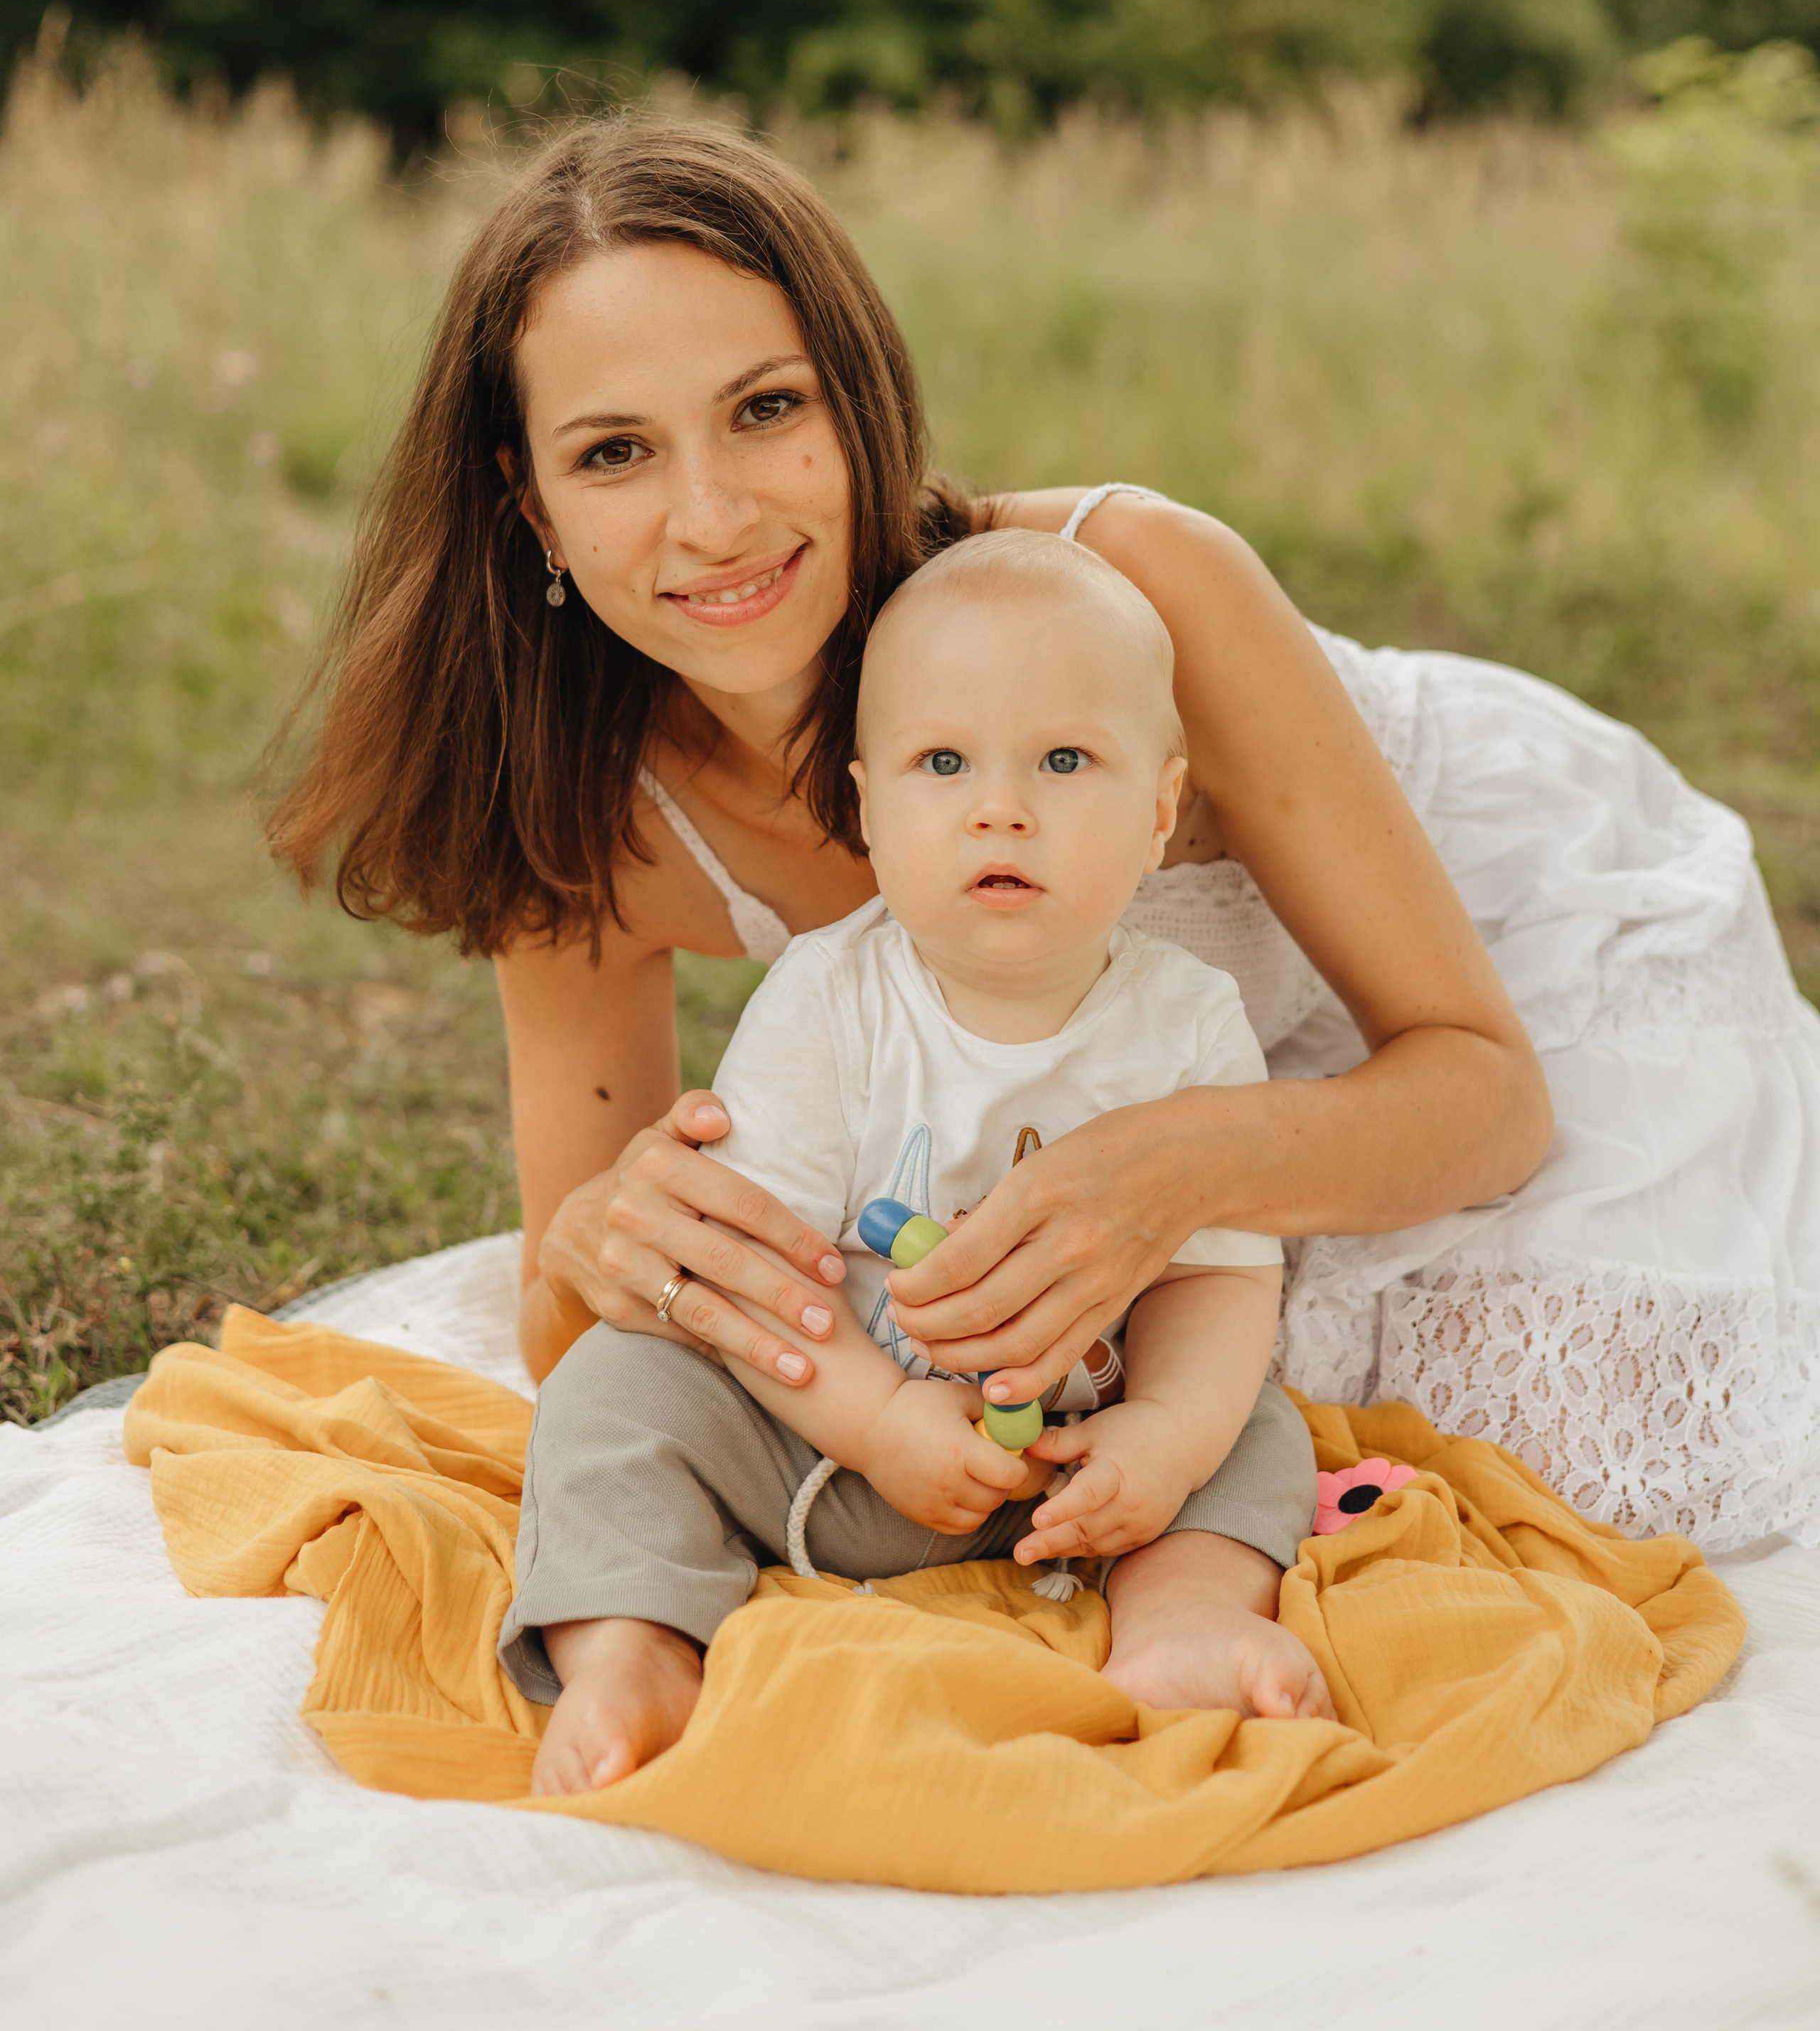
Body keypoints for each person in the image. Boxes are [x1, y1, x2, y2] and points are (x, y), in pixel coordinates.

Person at [269, 113, 1820, 1622]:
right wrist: (610, 1240)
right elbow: (570, 1323)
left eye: (765, 410)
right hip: (1145, 1084)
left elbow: (1487, 1102)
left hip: (1493, 945)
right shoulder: (583, 812)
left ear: (860, 396)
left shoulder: (1133, 581)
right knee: (1095, 1412)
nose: (713, 516)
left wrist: (1182, 1166)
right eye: (615, 452)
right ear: (529, 504)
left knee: (1550, 1450)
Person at [499, 529, 1330, 1792]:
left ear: (1158, 812)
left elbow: (1219, 1278)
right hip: (818, 1429)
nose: (1003, 804)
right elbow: (753, 1280)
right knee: (614, 1397)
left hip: (1073, 1461)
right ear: (869, 810)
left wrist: (1159, 1441)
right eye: (943, 762)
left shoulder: (1189, 1019)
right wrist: (882, 1422)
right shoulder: (830, 998)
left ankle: (1182, 1621)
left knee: (1258, 1431)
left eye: (1064, 759)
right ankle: (636, 1641)